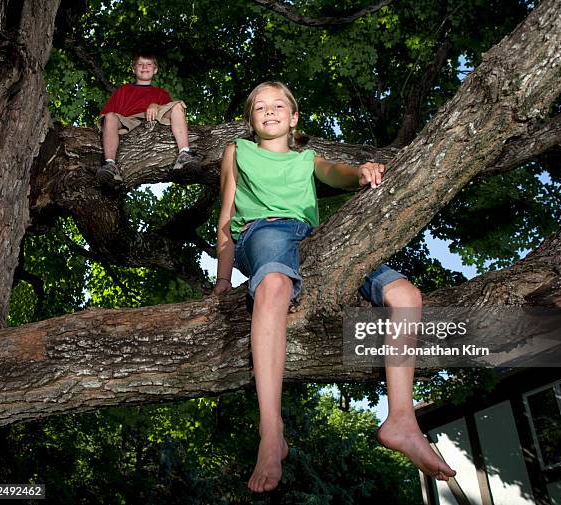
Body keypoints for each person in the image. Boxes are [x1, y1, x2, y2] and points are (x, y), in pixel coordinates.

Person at [213, 81, 456, 493]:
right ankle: (271, 430)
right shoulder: (238, 152)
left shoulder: (307, 157)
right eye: (259, 107)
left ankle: (401, 418)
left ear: (293, 119)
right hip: (262, 232)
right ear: (251, 122)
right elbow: (225, 219)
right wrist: (221, 279)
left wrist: (360, 172)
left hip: (314, 239)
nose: (269, 111)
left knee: (405, 296)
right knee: (273, 285)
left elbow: (334, 174)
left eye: (278, 106)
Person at [97, 53, 199, 184]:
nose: (144, 67)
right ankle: (110, 164)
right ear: (134, 69)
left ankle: (184, 154)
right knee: (110, 117)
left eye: (149, 64)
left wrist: (155, 105)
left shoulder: (161, 93)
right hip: (128, 120)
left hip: (153, 118)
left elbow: (168, 112)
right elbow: (106, 116)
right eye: (140, 64)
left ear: (155, 70)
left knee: (178, 106)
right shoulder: (123, 89)